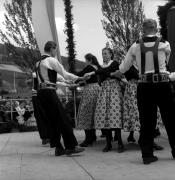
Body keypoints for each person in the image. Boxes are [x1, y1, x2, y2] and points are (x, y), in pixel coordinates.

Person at [111, 19, 175, 164]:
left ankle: (147, 155)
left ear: (143, 29)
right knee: (170, 119)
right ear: (156, 28)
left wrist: (117, 72)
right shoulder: (165, 44)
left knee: (146, 121)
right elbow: (166, 62)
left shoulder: (135, 45)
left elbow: (124, 67)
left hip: (144, 86)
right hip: (162, 84)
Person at [36, 41, 85, 156]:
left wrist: (68, 84)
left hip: (41, 93)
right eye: (55, 50)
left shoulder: (38, 62)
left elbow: (55, 79)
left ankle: (58, 148)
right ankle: (71, 146)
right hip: (49, 92)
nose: (56, 52)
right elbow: (64, 74)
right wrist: (79, 78)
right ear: (52, 49)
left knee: (52, 121)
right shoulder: (51, 60)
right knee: (63, 119)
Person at [85, 47, 124, 153]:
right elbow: (102, 76)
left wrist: (97, 73)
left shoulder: (115, 63)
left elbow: (105, 71)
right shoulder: (102, 66)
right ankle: (108, 143)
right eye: (103, 54)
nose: (104, 55)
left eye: (106, 53)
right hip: (104, 91)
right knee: (104, 115)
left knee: (114, 114)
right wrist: (111, 74)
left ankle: (120, 142)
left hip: (114, 90)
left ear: (111, 54)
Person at [76, 53, 101, 147]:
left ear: (89, 60)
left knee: (85, 113)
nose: (85, 62)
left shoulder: (89, 67)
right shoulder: (96, 67)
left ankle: (88, 139)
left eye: (85, 60)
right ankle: (93, 136)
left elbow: (79, 75)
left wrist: (69, 77)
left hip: (90, 91)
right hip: (96, 90)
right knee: (92, 113)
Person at [32, 72, 50, 145]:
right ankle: (45, 137)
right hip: (38, 96)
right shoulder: (36, 74)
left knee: (42, 117)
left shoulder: (37, 73)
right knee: (42, 116)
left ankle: (45, 137)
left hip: (38, 96)